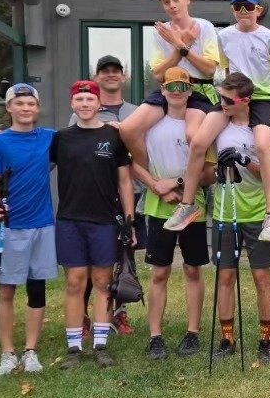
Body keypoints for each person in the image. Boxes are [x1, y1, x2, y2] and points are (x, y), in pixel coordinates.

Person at [167, 0, 270, 244]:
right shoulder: (225, 36)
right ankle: (188, 205)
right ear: (232, 10)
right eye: (238, 7)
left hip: (261, 98)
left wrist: (268, 95)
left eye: (249, 7)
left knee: (263, 145)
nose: (243, 11)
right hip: (231, 97)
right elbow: (225, 67)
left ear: (258, 10)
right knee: (198, 141)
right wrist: (227, 93)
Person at [51, 80, 135, 369]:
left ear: (99, 103)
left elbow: (125, 181)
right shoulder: (61, 137)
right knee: (75, 283)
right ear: (72, 104)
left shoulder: (113, 136)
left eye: (90, 99)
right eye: (80, 100)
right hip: (70, 220)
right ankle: (74, 348)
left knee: (102, 283)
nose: (85, 104)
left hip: (104, 221)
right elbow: (39, 168)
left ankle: (100, 345)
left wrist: (129, 218)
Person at [132, 68, 212, 361]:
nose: (177, 91)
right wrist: (156, 186)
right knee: (160, 272)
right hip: (158, 205)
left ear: (190, 91)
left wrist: (178, 183)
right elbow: (131, 163)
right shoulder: (151, 124)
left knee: (192, 269)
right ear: (162, 91)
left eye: (182, 86)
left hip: (193, 207)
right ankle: (156, 336)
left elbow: (209, 173)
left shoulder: (200, 125)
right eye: (171, 86)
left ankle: (193, 332)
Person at [0, 84, 57, 376]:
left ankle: (31, 351)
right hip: (12, 226)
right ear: (9, 108)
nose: (26, 108)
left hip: (42, 224)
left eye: (31, 104)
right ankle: (8, 353)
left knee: (37, 288)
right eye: (20, 103)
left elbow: (81, 140)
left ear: (37, 109)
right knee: (7, 289)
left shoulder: (50, 138)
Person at [209, 72, 270, 365]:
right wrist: (219, 166)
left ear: (245, 101)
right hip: (225, 209)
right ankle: (227, 339)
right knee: (225, 276)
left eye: (227, 99)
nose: (222, 103)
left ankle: (266, 340)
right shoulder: (218, 126)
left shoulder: (263, 130)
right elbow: (206, 164)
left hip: (257, 210)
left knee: (261, 276)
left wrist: (243, 159)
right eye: (220, 97)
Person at [75, 52, 146, 335]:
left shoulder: (137, 111)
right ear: (96, 77)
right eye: (105, 71)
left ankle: (120, 312)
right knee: (93, 260)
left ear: (124, 76)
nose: (111, 74)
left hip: (133, 191)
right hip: (98, 194)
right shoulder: (85, 107)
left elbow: (144, 153)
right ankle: (82, 317)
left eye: (116, 70)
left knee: (124, 256)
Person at [118, 0, 220, 168]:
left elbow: (209, 70)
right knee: (127, 129)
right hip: (169, 87)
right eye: (166, 2)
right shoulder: (160, 31)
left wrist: (181, 46)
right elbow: (158, 74)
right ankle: (153, 175)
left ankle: (198, 181)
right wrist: (178, 46)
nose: (172, 5)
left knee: (192, 135)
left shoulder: (204, 27)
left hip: (198, 89)